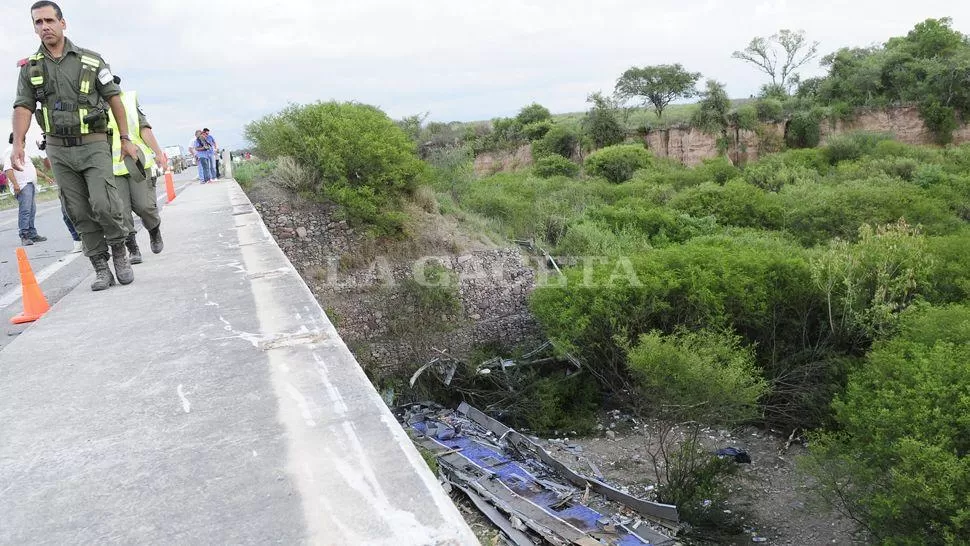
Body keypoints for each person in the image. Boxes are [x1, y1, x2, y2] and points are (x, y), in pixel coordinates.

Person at [11, 0, 141, 291]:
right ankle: (100, 266)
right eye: (38, 23)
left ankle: (119, 250)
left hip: (94, 144)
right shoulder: (31, 68)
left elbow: (114, 99)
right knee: (77, 210)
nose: (44, 27)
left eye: (49, 21)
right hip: (58, 148)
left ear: (62, 23)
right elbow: (23, 106)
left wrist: (125, 139)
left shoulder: (91, 61)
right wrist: (18, 143)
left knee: (104, 203)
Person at [107, 83, 166, 264]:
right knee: (121, 212)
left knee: (144, 206)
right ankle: (132, 248)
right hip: (111, 167)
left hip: (136, 162)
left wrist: (158, 152)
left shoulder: (128, 100)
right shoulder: (92, 104)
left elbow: (144, 128)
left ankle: (154, 230)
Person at [2, 133, 48, 246]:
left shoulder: (23, 152)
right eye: (23, 141)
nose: (24, 144)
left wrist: (44, 176)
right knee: (26, 211)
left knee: (32, 210)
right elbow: (8, 169)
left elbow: (30, 168)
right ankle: (24, 235)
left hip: (30, 184)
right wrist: (16, 185)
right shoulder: (10, 151)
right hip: (22, 185)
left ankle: (32, 234)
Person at [38, 137, 82, 252]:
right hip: (64, 180)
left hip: (82, 173)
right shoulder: (49, 140)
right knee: (66, 212)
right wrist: (45, 151)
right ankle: (77, 240)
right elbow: (47, 166)